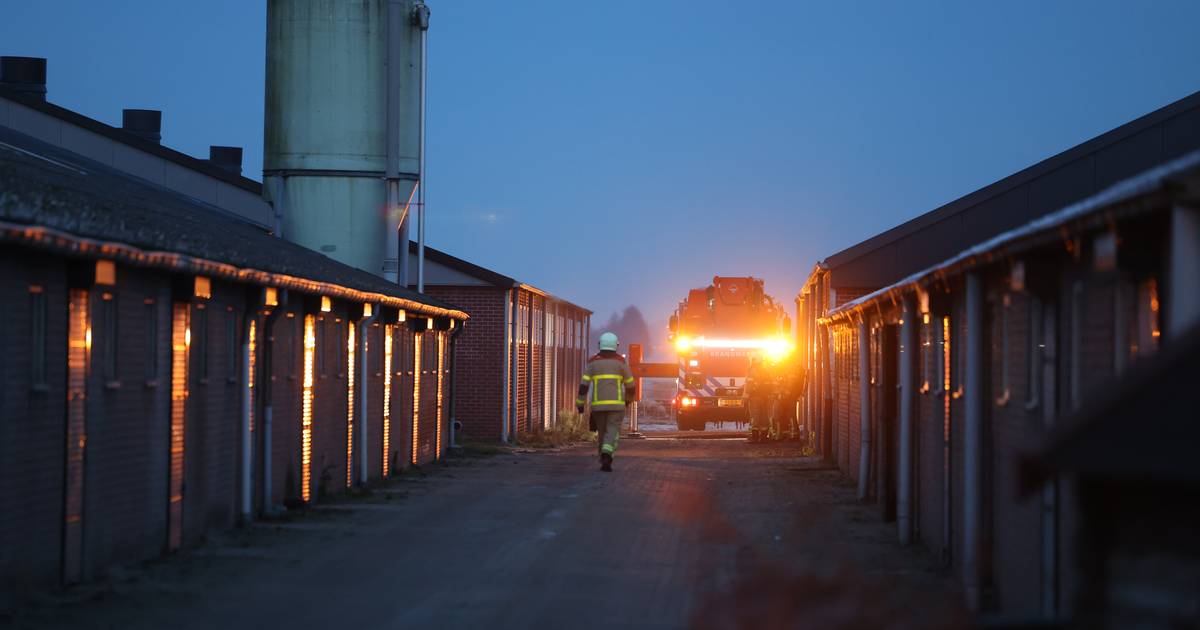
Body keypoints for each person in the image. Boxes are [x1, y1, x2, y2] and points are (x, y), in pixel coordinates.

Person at [576, 332, 635, 472]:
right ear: (616, 345)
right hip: (616, 406)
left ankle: (603, 456)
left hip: (598, 406)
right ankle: (607, 454)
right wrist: (628, 401)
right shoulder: (621, 362)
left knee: (602, 433)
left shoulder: (592, 363)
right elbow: (631, 385)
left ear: (600, 345)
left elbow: (584, 385)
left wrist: (580, 403)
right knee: (612, 432)